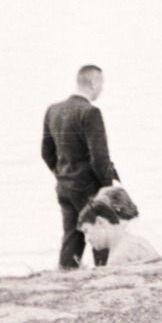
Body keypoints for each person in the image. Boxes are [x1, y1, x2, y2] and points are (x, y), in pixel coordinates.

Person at [41, 64, 120, 269]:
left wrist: (62, 174)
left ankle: (67, 276)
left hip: (65, 186)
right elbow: (99, 157)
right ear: (93, 82)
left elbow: (46, 152)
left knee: (72, 236)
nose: (102, 88)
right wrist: (107, 187)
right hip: (88, 187)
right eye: (101, 83)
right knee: (101, 236)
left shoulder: (53, 110)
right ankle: (103, 276)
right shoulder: (90, 112)